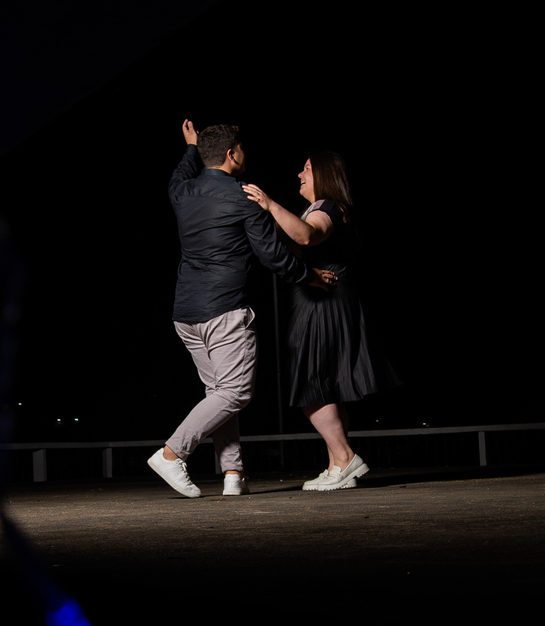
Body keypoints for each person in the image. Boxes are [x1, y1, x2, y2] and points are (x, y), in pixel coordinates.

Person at [149, 121, 335, 498]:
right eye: (242, 149)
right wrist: (310, 277)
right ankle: (171, 453)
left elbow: (182, 171)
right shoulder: (243, 196)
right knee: (234, 393)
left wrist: (192, 147)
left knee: (218, 393)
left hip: (185, 313)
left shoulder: (181, 191)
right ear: (232, 154)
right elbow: (273, 257)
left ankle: (233, 474)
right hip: (224, 310)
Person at [243, 152, 399, 490]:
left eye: (307, 169)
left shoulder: (327, 206)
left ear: (325, 175)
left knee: (311, 383)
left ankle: (345, 458)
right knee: (327, 384)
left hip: (322, 300)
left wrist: (270, 205)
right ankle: (336, 466)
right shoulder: (325, 207)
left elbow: (307, 236)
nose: (299, 174)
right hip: (328, 299)